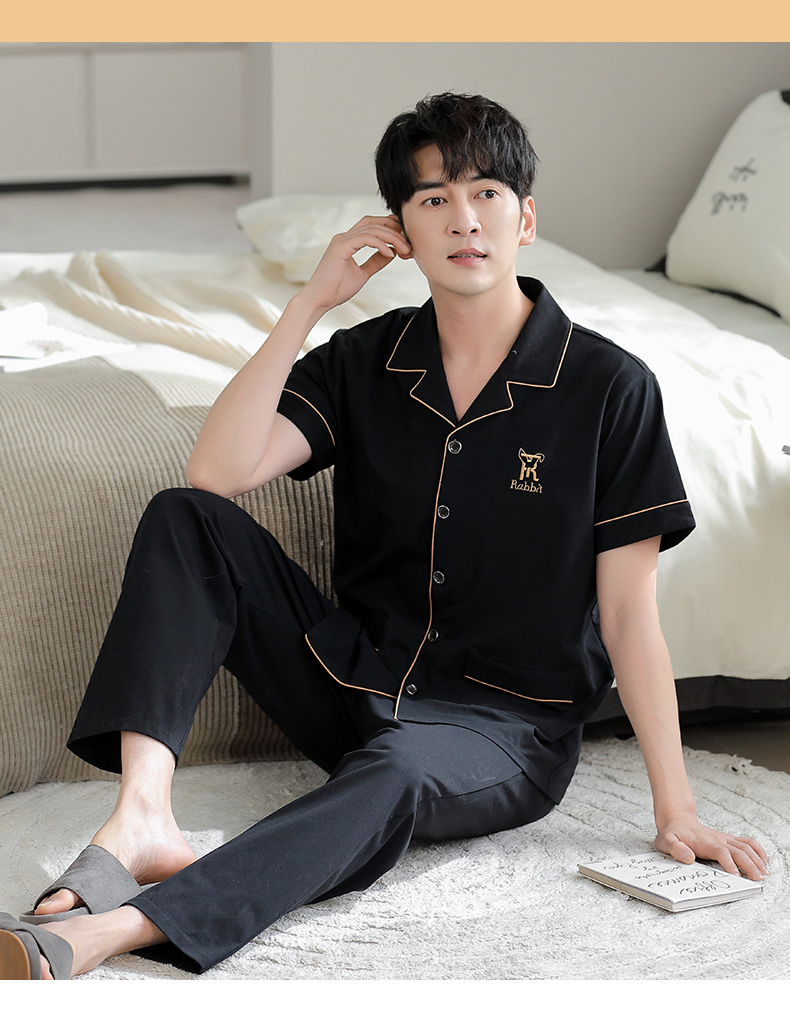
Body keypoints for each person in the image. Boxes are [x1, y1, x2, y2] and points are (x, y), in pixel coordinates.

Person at [0, 93, 768, 981]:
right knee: (186, 518)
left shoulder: (609, 388)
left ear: (525, 219)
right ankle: (142, 815)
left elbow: (630, 615)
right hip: (353, 682)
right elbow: (218, 472)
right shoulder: (367, 357)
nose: (464, 219)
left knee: (398, 768)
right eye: (434, 198)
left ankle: (121, 930)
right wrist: (310, 303)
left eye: (485, 193)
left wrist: (676, 808)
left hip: (501, 732)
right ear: (401, 230)